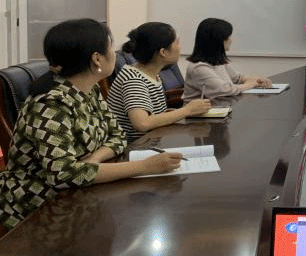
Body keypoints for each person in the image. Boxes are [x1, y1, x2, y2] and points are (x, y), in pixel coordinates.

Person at [0, 19, 183, 232]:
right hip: (39, 206)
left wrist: (94, 159)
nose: (115, 54)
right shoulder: (51, 104)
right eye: (110, 47)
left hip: (81, 193)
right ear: (97, 58)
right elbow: (64, 174)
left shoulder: (89, 89)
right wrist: (145, 167)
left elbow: (118, 136)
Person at [107, 22, 211, 142]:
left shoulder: (151, 74)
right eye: (177, 43)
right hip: (135, 147)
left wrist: (183, 112)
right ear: (163, 52)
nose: (180, 48)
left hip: (152, 142)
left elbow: (154, 115)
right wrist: (188, 110)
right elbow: (142, 123)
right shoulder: (133, 79)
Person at [183, 18, 272, 100]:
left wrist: (257, 79)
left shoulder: (217, 61)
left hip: (218, 107)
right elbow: (224, 90)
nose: (230, 41)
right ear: (216, 41)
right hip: (201, 112)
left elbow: (238, 78)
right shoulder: (198, 68)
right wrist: (250, 84)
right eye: (227, 38)